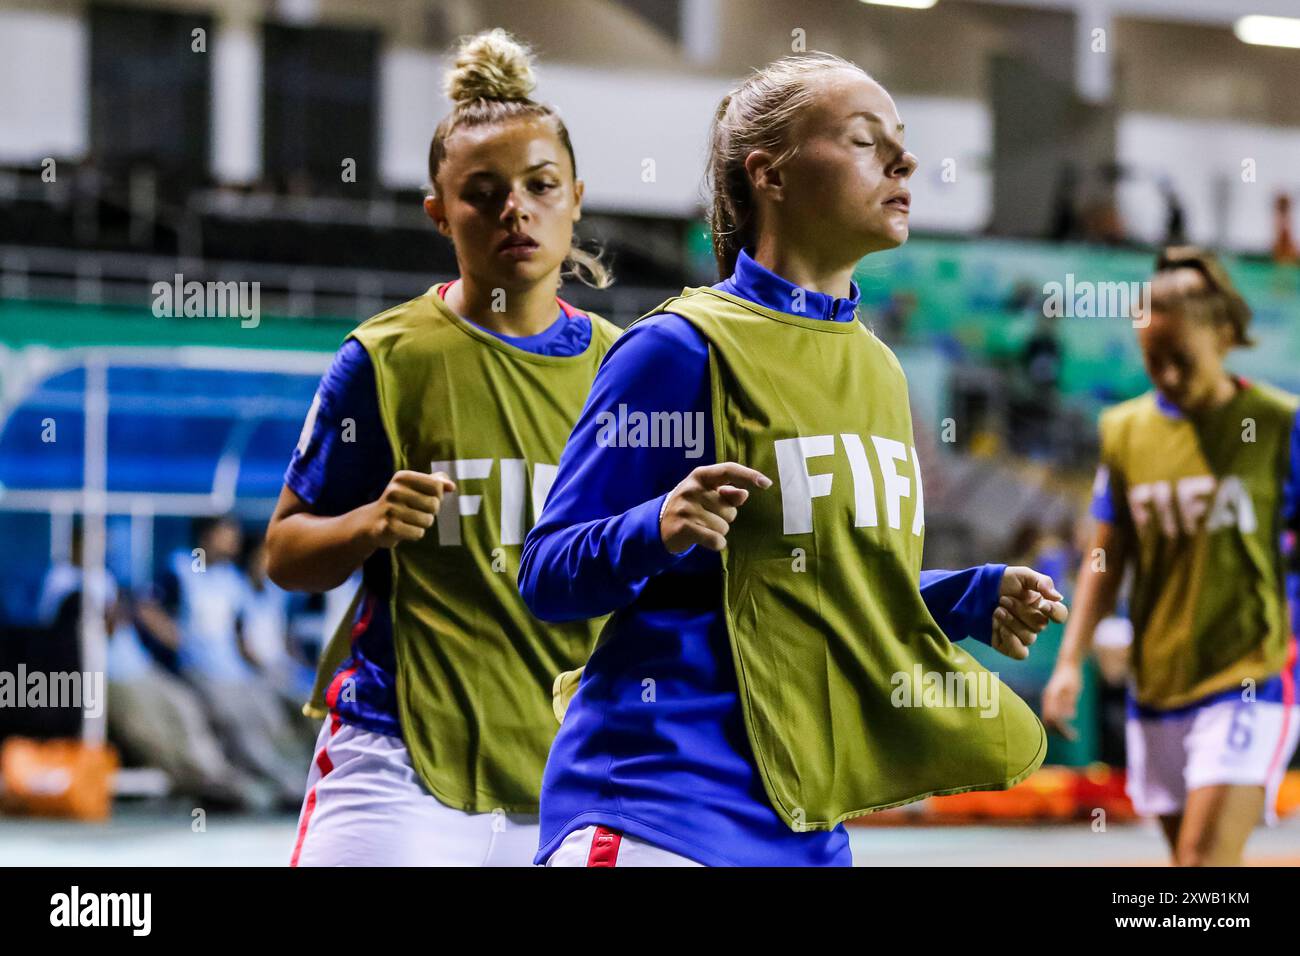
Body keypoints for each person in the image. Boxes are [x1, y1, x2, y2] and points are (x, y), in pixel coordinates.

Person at [520, 52, 1067, 867]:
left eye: (902, 142)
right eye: (862, 139)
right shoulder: (678, 349)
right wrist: (656, 526)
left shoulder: (879, 369)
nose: (903, 160)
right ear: (769, 174)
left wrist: (963, 597)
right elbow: (546, 574)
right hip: (659, 808)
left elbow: (813, 585)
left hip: (805, 821)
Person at [265, 29, 621, 866]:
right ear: (440, 211)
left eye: (540, 187)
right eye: (483, 192)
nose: (516, 210)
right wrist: (369, 526)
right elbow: (284, 552)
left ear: (575, 198)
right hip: (397, 754)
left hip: (577, 772)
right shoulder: (387, 359)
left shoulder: (628, 369)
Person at [1043, 247, 1300, 866]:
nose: (1167, 377)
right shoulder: (1126, 432)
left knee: (1204, 865)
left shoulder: (1276, 425)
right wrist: (1069, 662)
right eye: (1152, 361)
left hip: (1251, 673)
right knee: (1190, 874)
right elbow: (1106, 559)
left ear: (1221, 336)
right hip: (1156, 681)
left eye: (1179, 359)